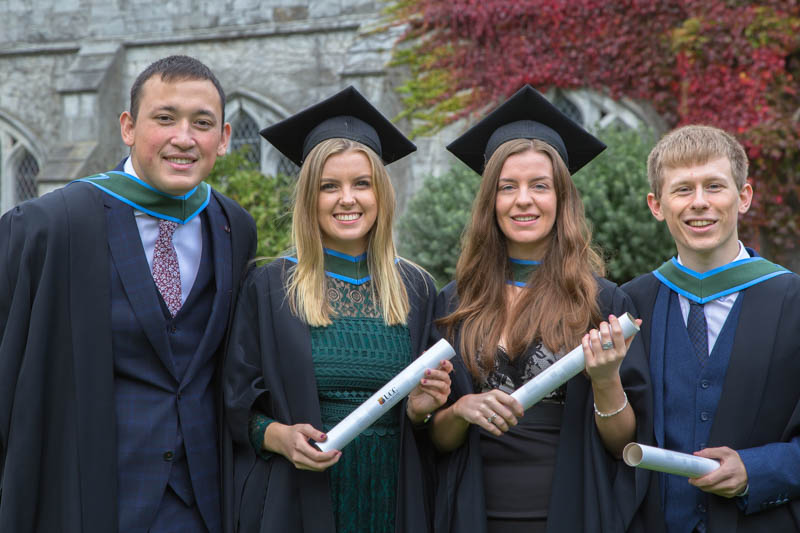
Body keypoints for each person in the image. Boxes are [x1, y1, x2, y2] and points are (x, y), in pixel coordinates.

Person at [0, 55, 257, 533]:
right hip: (82, 497)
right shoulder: (49, 227)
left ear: (223, 139)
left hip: (204, 504)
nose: (184, 138)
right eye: (165, 118)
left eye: (202, 123)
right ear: (128, 127)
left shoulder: (233, 226)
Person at [431, 85, 661, 533]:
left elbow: (624, 446)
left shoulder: (604, 303)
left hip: (572, 510)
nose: (523, 200)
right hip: (472, 513)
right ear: (490, 202)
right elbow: (437, 441)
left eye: (540, 186)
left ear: (561, 199)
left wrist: (606, 379)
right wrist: (460, 412)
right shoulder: (455, 303)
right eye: (507, 187)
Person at [223, 86, 453, 533]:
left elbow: (436, 429)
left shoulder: (417, 289)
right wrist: (279, 437)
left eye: (361, 184)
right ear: (310, 197)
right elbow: (234, 405)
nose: (347, 199)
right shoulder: (271, 286)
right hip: (298, 500)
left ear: (381, 194)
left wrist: (422, 410)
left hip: (395, 498)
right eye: (330, 186)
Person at [622, 125, 800, 533]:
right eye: (683, 189)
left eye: (715, 186)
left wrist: (758, 471)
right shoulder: (632, 303)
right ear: (656, 204)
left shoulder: (792, 301)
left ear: (744, 197)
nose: (699, 203)